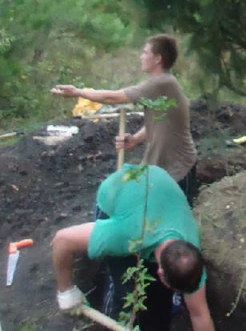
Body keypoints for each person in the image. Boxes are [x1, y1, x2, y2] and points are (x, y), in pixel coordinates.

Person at [52, 164, 215, 331]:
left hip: (155, 186)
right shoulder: (124, 235)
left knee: (156, 303)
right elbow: (62, 240)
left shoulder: (189, 258)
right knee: (125, 290)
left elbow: (199, 314)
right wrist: (66, 292)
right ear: (160, 274)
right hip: (119, 193)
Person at [51, 35, 198, 203]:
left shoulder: (162, 83)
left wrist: (77, 92)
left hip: (178, 169)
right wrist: (135, 139)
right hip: (164, 169)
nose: (140, 57)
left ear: (158, 59)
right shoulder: (161, 85)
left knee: (172, 221)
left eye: (145, 52)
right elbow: (161, 121)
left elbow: (113, 98)